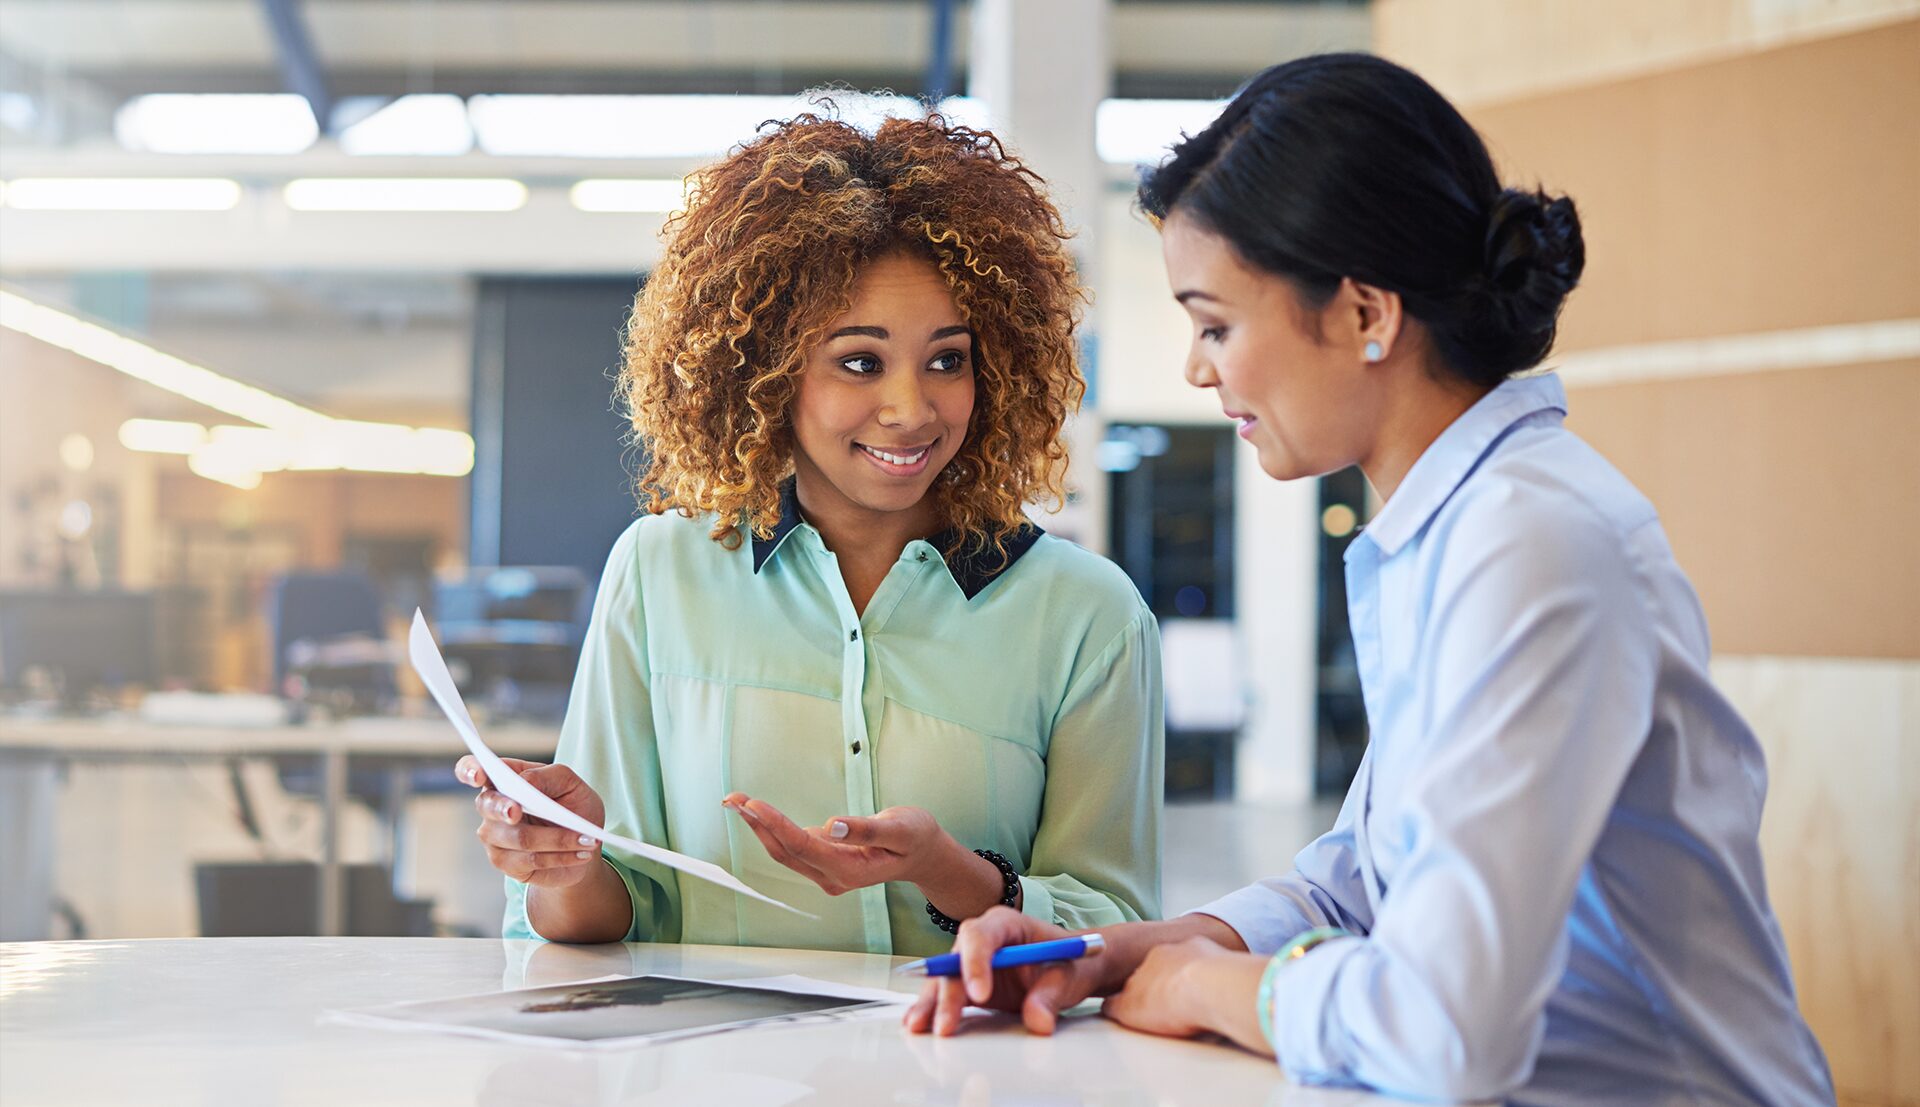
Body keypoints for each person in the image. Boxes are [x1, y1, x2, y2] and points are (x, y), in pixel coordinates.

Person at [907, 54, 1834, 1107]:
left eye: (1215, 323)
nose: (1198, 370)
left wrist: (1215, 988)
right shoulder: (1456, 528)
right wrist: (1127, 950)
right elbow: (1360, 875)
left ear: (1364, 315)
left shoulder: (1532, 542)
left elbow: (1448, 1031)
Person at [457, 107, 1163, 958]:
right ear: (769, 370)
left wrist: (954, 874)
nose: (910, 409)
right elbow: (611, 919)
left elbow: (1116, 922)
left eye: (948, 359)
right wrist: (564, 865)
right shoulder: (659, 573)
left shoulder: (1089, 616)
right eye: (860, 361)